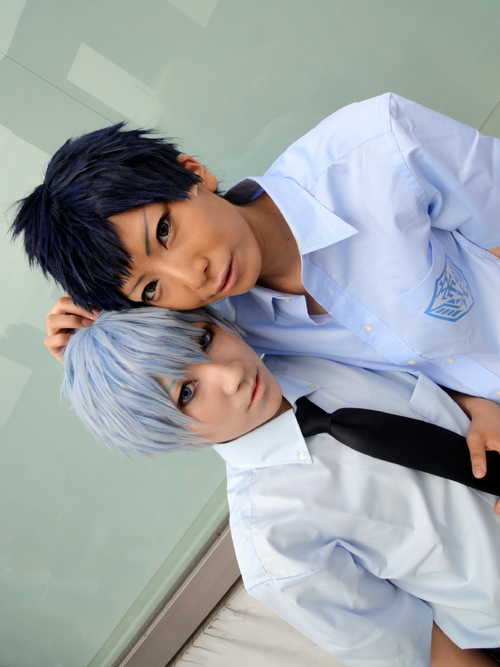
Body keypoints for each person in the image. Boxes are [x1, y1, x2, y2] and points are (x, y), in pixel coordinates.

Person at [12, 93, 500, 476]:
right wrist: (91, 346)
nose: (193, 276)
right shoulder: (226, 330)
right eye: (151, 289)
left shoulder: (377, 149)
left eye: (164, 232)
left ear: (193, 173)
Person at [61, 307, 500, 667]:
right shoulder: (274, 542)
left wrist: (478, 406)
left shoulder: (309, 348)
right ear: (166, 432)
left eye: (204, 340)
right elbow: (424, 650)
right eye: (187, 393)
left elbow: (433, 380)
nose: (230, 374)